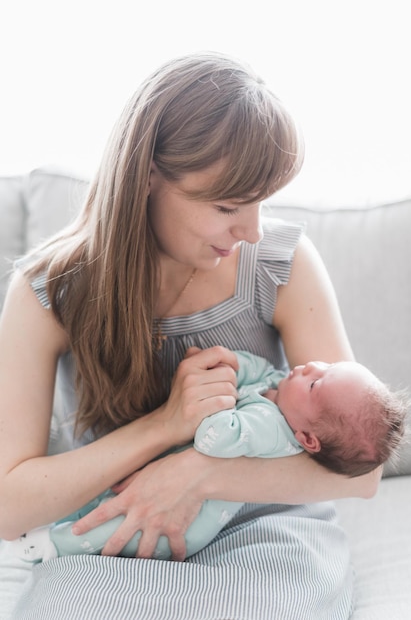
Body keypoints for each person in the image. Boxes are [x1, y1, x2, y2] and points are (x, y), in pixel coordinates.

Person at [0, 51, 384, 620]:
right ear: (148, 178)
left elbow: (364, 473)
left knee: (287, 601)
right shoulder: (49, 292)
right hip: (123, 531)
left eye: (261, 202)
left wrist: (199, 475)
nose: (251, 229)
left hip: (262, 523)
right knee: (61, 605)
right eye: (227, 205)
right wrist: (165, 427)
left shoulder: (280, 263)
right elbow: (9, 506)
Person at [9, 351, 409, 565]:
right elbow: (258, 369)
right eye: (329, 364)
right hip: (169, 489)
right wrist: (231, 365)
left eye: (317, 381)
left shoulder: (269, 429)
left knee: (114, 527)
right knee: (110, 500)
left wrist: (211, 406)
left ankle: (53, 547)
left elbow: (215, 438)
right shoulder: (278, 390)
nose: (310, 365)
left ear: (307, 438)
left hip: (187, 525)